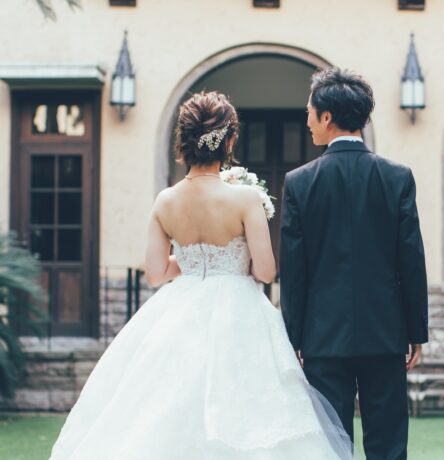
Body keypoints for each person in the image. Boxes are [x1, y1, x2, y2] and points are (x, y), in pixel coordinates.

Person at [49, 91, 354, 460]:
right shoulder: (244, 198)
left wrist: (195, 259)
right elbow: (266, 270)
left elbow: (157, 273)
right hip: (240, 312)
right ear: (228, 140)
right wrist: (231, 256)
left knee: (166, 403)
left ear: (184, 140)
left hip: (179, 308)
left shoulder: (165, 200)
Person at [280, 68, 429, 460]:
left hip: (322, 337)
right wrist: (416, 331)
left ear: (327, 117)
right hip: (385, 332)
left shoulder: (299, 183)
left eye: (310, 112)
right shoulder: (397, 177)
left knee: (330, 443)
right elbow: (410, 258)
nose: (308, 120)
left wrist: (293, 337)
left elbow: (294, 270)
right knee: (388, 443)